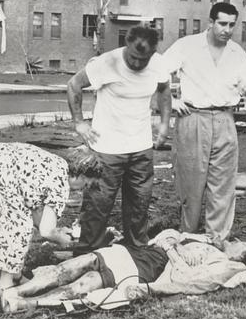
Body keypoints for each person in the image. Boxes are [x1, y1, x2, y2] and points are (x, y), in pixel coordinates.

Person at [158, 2, 246, 245]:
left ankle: (216, 241)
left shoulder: (236, 52)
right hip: (193, 119)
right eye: (222, 24)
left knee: (223, 185)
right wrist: (170, 100)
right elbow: (157, 72)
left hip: (225, 119)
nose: (227, 29)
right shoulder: (187, 46)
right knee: (190, 185)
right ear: (211, 23)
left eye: (231, 25)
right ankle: (188, 238)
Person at [67, 26, 172, 254]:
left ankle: (135, 252)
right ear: (126, 45)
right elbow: (74, 85)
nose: (136, 64)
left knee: (139, 205)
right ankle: (87, 254)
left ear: (153, 52)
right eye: (132, 57)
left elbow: (164, 89)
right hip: (107, 149)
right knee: (98, 205)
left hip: (141, 148)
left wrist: (165, 122)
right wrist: (79, 122)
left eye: (142, 59)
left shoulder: (159, 64)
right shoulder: (107, 63)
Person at [0, 229, 246, 312]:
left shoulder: (223, 265)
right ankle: (14, 291)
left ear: (241, 254)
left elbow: (187, 279)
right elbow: (169, 233)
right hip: (140, 252)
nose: (232, 239)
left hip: (150, 267)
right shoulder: (207, 240)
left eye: (238, 243)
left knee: (85, 284)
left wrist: (171, 249)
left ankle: (25, 304)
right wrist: (172, 239)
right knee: (71, 266)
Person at [0, 143, 74, 295]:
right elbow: (46, 231)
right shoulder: (61, 181)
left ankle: (16, 275)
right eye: (88, 184)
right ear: (81, 176)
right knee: (17, 227)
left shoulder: (58, 164)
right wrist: (63, 240)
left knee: (12, 222)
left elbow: (35, 209)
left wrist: (50, 228)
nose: (82, 189)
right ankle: (6, 286)